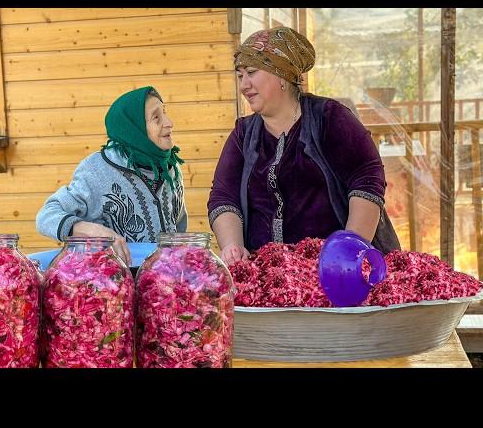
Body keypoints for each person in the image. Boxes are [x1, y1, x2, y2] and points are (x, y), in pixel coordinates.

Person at [207, 27, 400, 266]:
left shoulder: (329, 117)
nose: (244, 84)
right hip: (268, 276)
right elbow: (224, 196)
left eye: (252, 72)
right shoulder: (243, 134)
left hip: (336, 271)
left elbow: (366, 178)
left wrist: (350, 249)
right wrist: (232, 246)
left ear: (282, 76)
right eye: (240, 76)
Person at [36, 86, 187, 266]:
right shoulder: (98, 170)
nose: (169, 122)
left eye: (165, 113)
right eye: (156, 118)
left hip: (162, 284)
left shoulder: (170, 167)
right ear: (133, 129)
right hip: (112, 285)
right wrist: (90, 230)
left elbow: (179, 225)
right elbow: (46, 216)